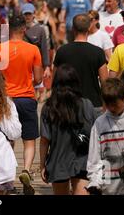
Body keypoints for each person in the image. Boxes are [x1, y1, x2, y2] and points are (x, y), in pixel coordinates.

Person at [0, 15, 43, 195]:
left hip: (5, 99)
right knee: (29, 140)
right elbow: (38, 79)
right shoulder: (33, 49)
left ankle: (7, 178)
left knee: (6, 140)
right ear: (24, 30)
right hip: (26, 97)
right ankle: (26, 169)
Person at [39, 64, 98, 195]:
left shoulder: (49, 108)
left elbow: (44, 140)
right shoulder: (86, 104)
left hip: (58, 160)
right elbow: (96, 133)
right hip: (83, 159)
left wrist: (42, 165)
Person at [54, 14, 108, 112]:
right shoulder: (98, 52)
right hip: (93, 104)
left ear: (73, 29)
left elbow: (55, 80)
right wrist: (105, 105)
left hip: (67, 105)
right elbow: (105, 82)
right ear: (88, 28)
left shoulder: (62, 51)